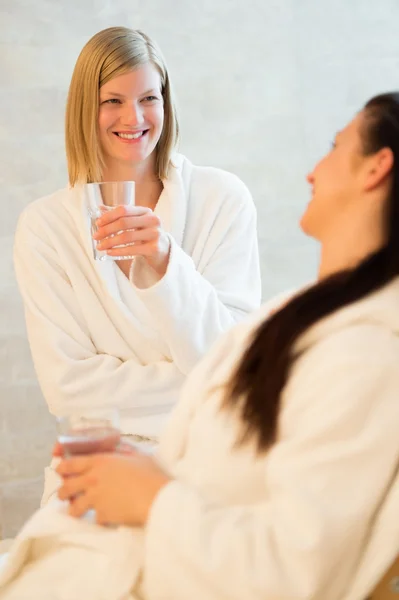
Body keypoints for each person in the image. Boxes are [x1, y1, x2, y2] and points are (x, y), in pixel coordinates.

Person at [52, 92, 399, 600]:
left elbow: (298, 572)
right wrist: (144, 468)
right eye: (112, 101)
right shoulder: (305, 313)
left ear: (377, 168)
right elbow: (236, 444)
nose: (311, 172)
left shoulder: (367, 354)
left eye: (334, 145)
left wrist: (153, 496)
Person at [13, 27, 261, 503]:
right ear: (87, 108)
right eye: (113, 101)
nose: (135, 117)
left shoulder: (221, 200)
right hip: (100, 461)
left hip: (210, 462)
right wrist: (197, 385)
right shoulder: (45, 227)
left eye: (149, 97)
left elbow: (234, 368)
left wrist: (168, 264)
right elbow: (69, 391)